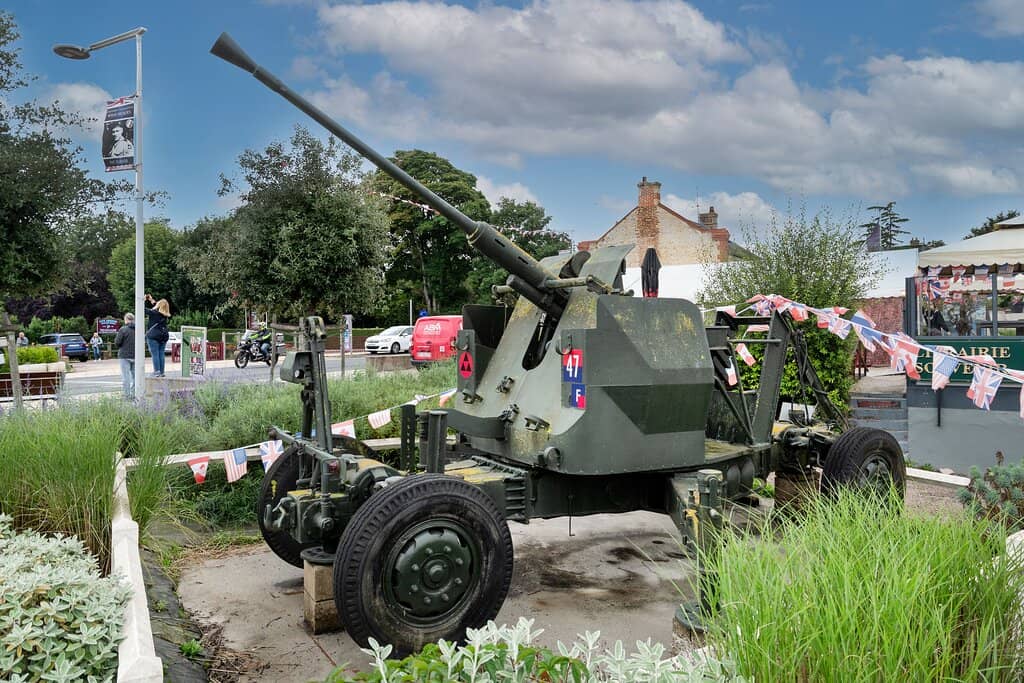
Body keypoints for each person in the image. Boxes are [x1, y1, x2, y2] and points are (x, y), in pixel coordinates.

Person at [144, 293, 171, 377]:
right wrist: (151, 300)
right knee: (161, 353)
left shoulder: (154, 313)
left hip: (154, 335)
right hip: (164, 335)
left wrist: (143, 300)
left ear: (159, 305)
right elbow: (158, 307)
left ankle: (156, 372)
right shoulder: (165, 315)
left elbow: (142, 309)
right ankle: (161, 372)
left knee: (155, 354)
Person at [114, 313, 136, 399]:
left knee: (126, 377)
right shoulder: (139, 329)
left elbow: (117, 342)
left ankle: (126, 395)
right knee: (135, 377)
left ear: (126, 319)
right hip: (136, 355)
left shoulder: (123, 329)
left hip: (124, 355)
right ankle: (134, 394)